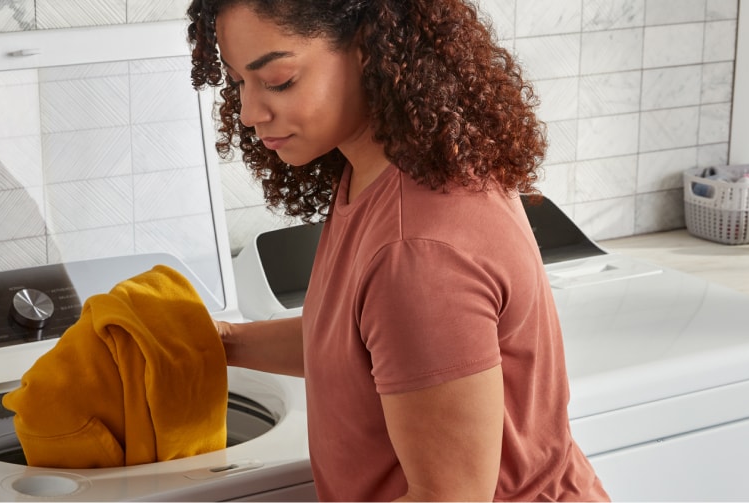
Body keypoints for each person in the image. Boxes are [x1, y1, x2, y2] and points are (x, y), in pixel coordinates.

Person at [185, 0, 609, 501]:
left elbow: (446, 498)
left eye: (278, 80)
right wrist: (215, 342)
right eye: (238, 82)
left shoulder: (417, 253)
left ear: (368, 50)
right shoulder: (391, 168)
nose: (250, 113)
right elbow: (357, 347)